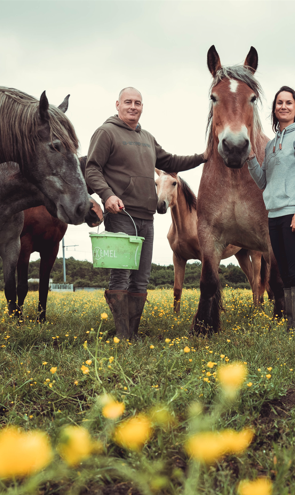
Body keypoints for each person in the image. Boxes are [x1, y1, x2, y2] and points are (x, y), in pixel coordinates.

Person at [85, 87, 206, 339]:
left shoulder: (147, 138)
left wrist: (203, 156)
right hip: (120, 215)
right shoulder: (106, 132)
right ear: (117, 104)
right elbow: (92, 169)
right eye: (128, 102)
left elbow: (171, 162)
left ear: (142, 107)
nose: (133, 106)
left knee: (141, 278)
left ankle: (133, 333)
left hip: (147, 218)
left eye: (138, 103)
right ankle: (122, 334)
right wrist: (107, 195)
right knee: (121, 275)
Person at [246, 86, 295, 333]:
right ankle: (292, 326)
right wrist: (251, 159)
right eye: (279, 103)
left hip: (294, 213)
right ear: (274, 110)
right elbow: (265, 181)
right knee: (285, 273)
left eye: (288, 103)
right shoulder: (272, 144)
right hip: (274, 215)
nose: (283, 107)